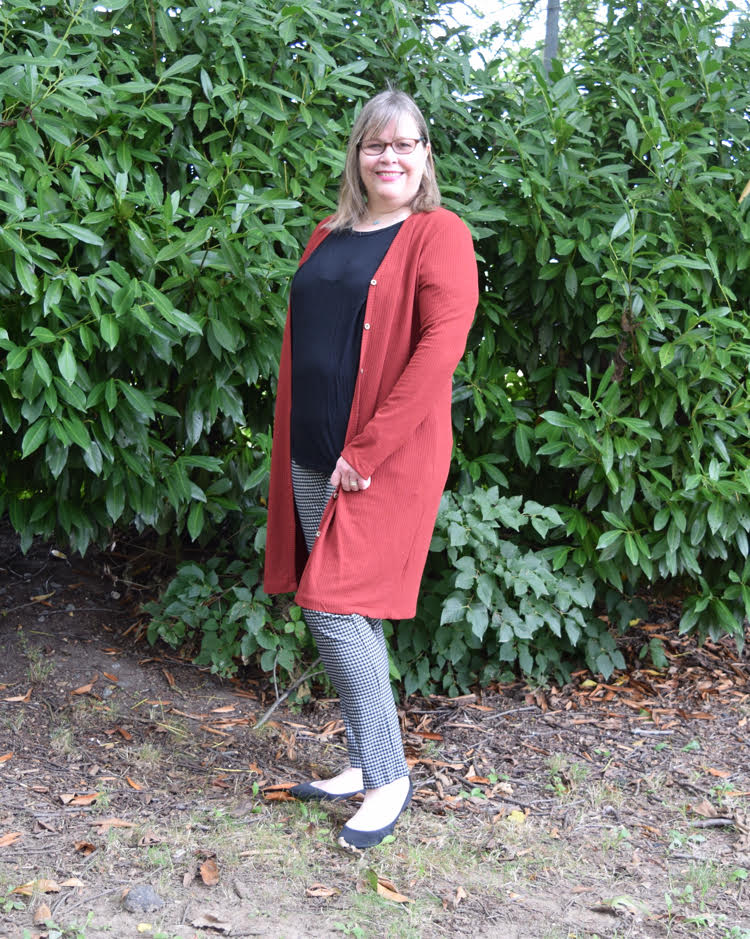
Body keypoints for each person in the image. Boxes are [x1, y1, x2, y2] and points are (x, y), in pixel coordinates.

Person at [263, 88, 478, 850]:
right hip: (312, 449)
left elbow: (437, 355)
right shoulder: (330, 232)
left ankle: (388, 779)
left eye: (405, 144)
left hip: (381, 459)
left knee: (331, 600)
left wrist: (369, 450)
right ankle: (362, 760)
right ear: (357, 155)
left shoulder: (437, 234)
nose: (390, 157)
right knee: (348, 611)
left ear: (425, 155)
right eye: (375, 144)